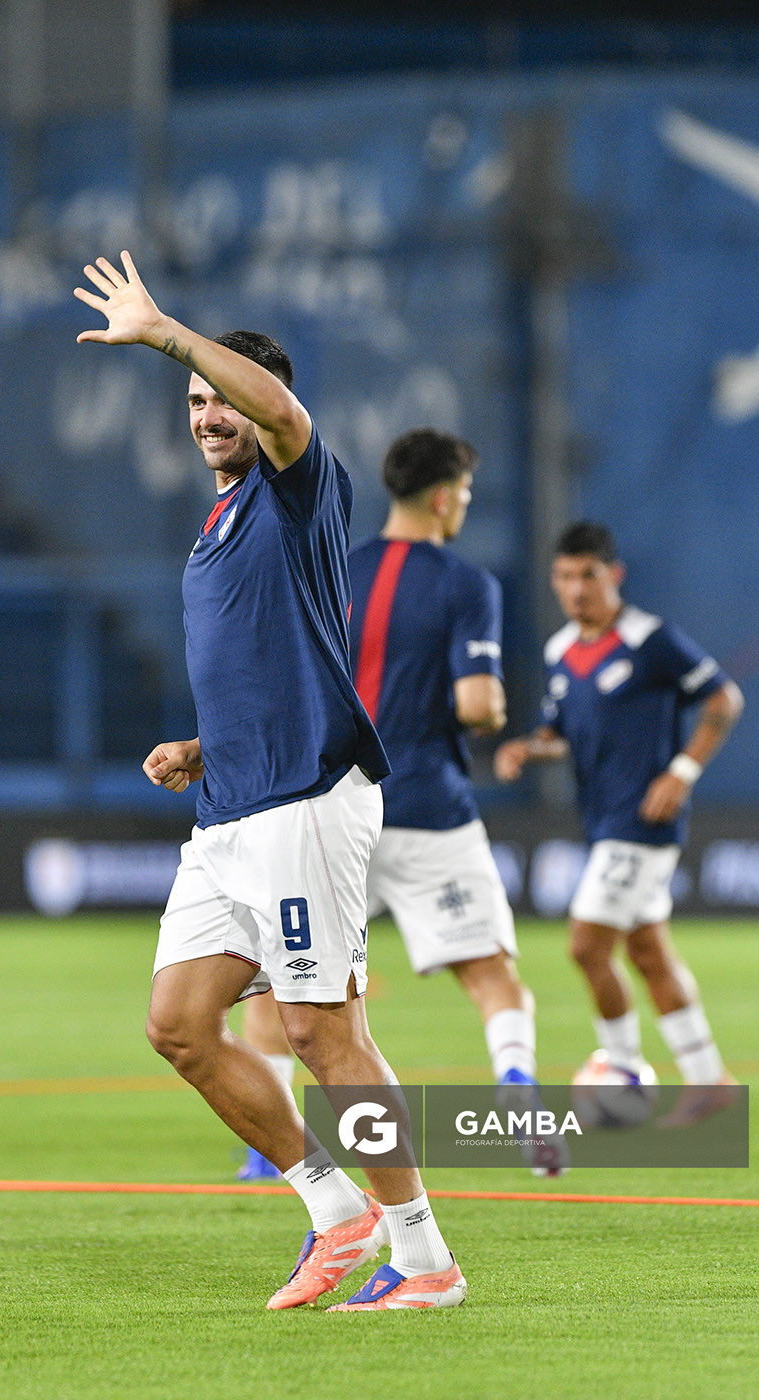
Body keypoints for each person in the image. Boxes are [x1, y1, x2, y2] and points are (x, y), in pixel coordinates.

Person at [74, 252, 467, 1312]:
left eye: (222, 399)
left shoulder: (294, 486)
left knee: (322, 1033)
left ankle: (425, 1257)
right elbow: (274, 664)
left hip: (305, 802)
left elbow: (283, 413)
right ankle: (336, 1213)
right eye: (194, 403)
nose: (209, 416)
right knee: (178, 1023)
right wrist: (202, 747)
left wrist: (167, 335)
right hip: (229, 808)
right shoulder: (217, 526)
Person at [238, 426, 567, 1179]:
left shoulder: (333, 566)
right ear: (445, 497)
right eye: (467, 493)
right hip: (427, 806)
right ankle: (520, 1105)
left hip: (330, 805)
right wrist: (487, 713)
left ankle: (267, 1152)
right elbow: (478, 704)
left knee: (284, 978)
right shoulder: (465, 584)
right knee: (490, 976)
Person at [494, 521, 743, 1125]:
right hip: (602, 820)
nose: (576, 589)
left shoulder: (651, 640)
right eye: (564, 576)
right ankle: (709, 1081)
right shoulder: (560, 652)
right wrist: (530, 749)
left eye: (588, 575)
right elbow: (563, 733)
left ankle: (625, 1071)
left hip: (644, 821)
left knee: (586, 945)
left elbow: (724, 699)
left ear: (614, 575)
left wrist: (681, 772)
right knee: (649, 953)